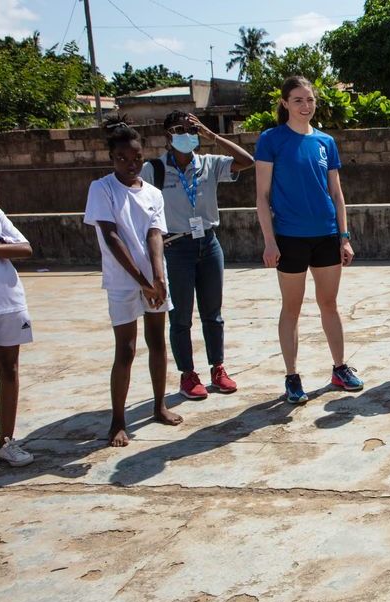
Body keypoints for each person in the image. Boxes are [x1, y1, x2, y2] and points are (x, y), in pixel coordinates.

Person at [255, 76, 364, 404]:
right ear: (285, 103)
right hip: (289, 237)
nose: (306, 106)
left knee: (329, 304)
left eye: (310, 100)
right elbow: (261, 196)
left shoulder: (325, 142)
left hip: (327, 235)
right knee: (292, 307)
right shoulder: (271, 139)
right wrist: (269, 241)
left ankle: (339, 368)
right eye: (298, 100)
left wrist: (344, 237)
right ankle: (292, 376)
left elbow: (337, 193)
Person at [84, 117, 183, 447]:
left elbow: (155, 234)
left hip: (152, 280)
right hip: (123, 281)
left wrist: (157, 276)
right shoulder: (102, 189)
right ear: (112, 158)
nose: (131, 164)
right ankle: (117, 421)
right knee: (125, 350)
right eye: (123, 158)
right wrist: (141, 281)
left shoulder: (153, 193)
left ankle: (159, 405)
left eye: (136, 157)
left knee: (158, 342)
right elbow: (112, 237)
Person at [143, 111, 254, 400]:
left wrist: (212, 135)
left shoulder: (208, 164)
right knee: (180, 316)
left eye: (190, 129)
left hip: (208, 243)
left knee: (213, 313)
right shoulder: (153, 169)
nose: (185, 134)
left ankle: (218, 367)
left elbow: (247, 162)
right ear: (167, 136)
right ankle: (188, 373)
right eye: (179, 129)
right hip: (176, 247)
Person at [0, 155, 34, 466]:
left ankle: (6, 442)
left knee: (10, 371)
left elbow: (24, 248)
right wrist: (0, 249)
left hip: (9, 301)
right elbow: (11, 248)